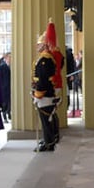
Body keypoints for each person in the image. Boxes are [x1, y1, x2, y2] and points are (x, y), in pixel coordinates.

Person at [31, 20, 63, 152]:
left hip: (44, 93)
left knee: (46, 120)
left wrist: (38, 92)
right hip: (47, 92)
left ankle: (49, 143)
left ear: (44, 45)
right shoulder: (46, 58)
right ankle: (50, 139)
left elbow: (43, 79)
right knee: (48, 118)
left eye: (39, 44)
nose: (37, 46)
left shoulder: (45, 60)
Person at [0, 53, 11, 123]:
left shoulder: (10, 66)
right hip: (4, 88)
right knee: (4, 103)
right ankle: (4, 116)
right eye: (9, 58)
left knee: (9, 102)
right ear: (6, 58)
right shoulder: (2, 66)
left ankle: (9, 114)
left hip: (9, 88)